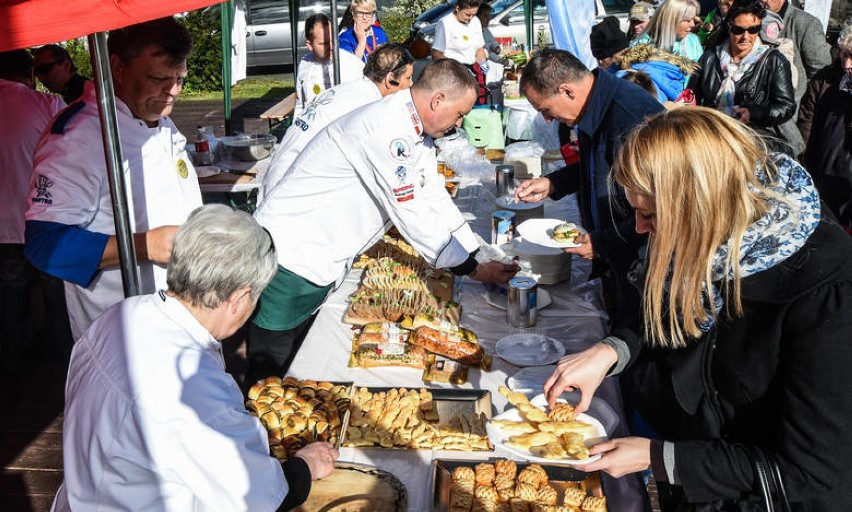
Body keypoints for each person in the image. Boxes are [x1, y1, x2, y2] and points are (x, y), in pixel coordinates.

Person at [543, 107, 852, 510]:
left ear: (699, 206)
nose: (638, 228)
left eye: (649, 214)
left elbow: (813, 476)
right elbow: (670, 313)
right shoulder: (714, 244)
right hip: (695, 472)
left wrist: (662, 458)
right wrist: (612, 350)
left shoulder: (826, 299)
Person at [52, 204, 338, 511]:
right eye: (256, 297)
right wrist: (306, 465)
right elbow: (259, 498)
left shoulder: (120, 315)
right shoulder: (194, 388)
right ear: (239, 298)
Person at [249, 59, 518, 384]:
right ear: (437, 101)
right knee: (271, 374)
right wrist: (472, 269)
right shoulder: (386, 128)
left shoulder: (411, 127)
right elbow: (412, 211)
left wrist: (477, 253)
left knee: (297, 366)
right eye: (459, 114)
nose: (458, 124)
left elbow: (432, 194)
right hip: (290, 258)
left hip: (318, 255)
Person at [24, 17, 203, 341]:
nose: (173, 91)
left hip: (183, 316)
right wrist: (146, 245)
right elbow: (45, 246)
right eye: (159, 78)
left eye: (179, 78)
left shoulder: (156, 118)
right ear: (117, 68)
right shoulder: (77, 140)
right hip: (125, 335)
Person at [514, 49, 664, 327]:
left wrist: (602, 243)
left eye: (545, 110)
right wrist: (554, 182)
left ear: (567, 91)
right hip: (617, 251)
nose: (547, 120)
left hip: (642, 260)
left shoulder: (630, 117)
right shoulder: (592, 105)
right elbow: (596, 166)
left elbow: (665, 206)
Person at [0, 50, 71, 376]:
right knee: (58, 301)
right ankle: (65, 370)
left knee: (10, 304)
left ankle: (13, 367)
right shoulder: (47, 106)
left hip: (3, 229)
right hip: (44, 221)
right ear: (29, 74)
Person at [261, 44, 415, 194]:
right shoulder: (367, 105)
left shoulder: (349, 90)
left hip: (280, 176)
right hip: (292, 185)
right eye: (408, 78)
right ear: (390, 79)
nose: (411, 84)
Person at [688, 0, 801, 155]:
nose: (746, 37)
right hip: (711, 141)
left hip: (752, 144)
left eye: (753, 29)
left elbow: (786, 107)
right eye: (739, 30)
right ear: (729, 27)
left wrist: (754, 113)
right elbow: (691, 99)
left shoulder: (774, 60)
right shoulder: (709, 58)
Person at [803, 23, 852, 231]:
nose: (847, 64)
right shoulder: (828, 83)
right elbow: (807, 124)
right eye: (844, 56)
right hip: (822, 179)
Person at [295, 13, 365, 118]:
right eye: (325, 44)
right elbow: (300, 104)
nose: (332, 47)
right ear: (309, 45)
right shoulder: (305, 64)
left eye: (334, 41)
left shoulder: (352, 64)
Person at [762, 0, 831, 103]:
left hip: (784, 108)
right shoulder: (751, 15)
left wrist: (799, 80)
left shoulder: (806, 24)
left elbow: (820, 65)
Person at [630, 0, 704, 62]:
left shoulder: (693, 40)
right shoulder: (641, 45)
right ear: (670, 20)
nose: (693, 24)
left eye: (693, 19)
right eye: (687, 20)